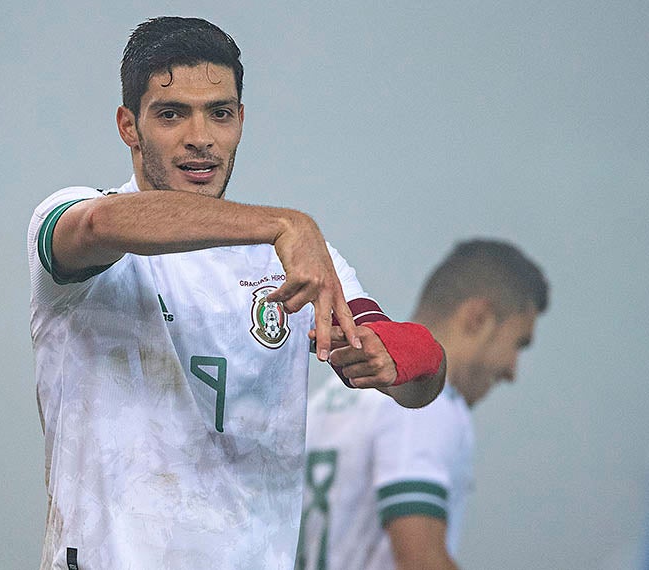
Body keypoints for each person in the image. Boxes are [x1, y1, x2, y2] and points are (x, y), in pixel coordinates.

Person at [27, 16, 445, 570]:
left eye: (219, 113)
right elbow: (101, 226)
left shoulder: (298, 258)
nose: (200, 138)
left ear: (240, 120)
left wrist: (396, 361)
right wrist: (284, 223)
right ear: (129, 125)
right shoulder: (78, 219)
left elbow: (420, 374)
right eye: (172, 114)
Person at [296, 239, 550, 570]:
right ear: (478, 318)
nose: (512, 370)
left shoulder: (334, 396)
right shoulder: (428, 405)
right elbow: (421, 561)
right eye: (518, 344)